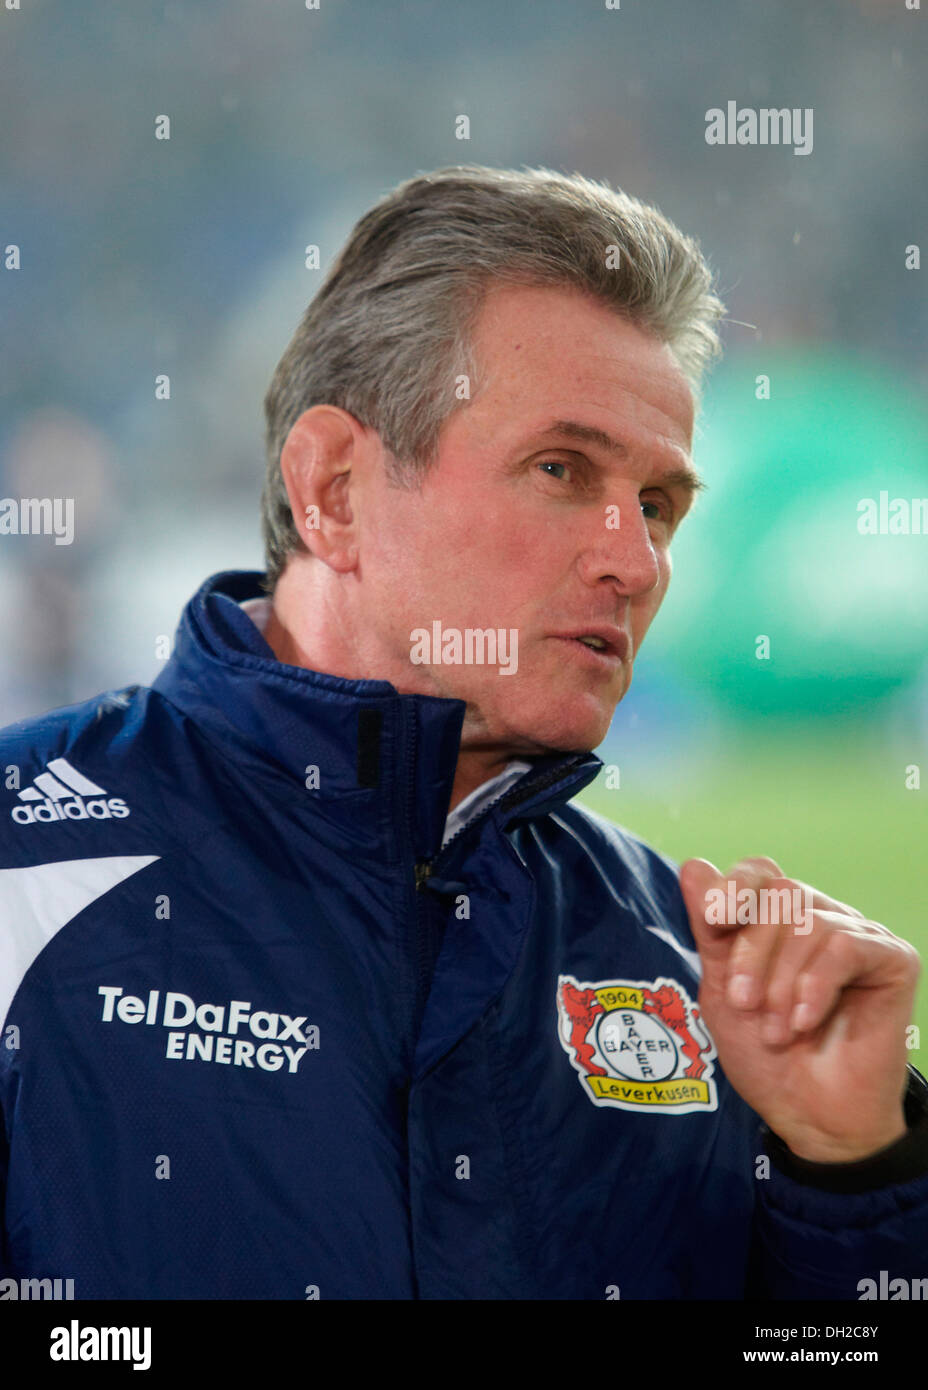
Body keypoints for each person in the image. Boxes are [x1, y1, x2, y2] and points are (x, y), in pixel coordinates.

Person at [1, 165, 926, 1301]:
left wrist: (849, 1175)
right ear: (335, 488)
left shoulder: (699, 979)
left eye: (657, 507)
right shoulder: (24, 866)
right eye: (560, 469)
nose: (633, 562)